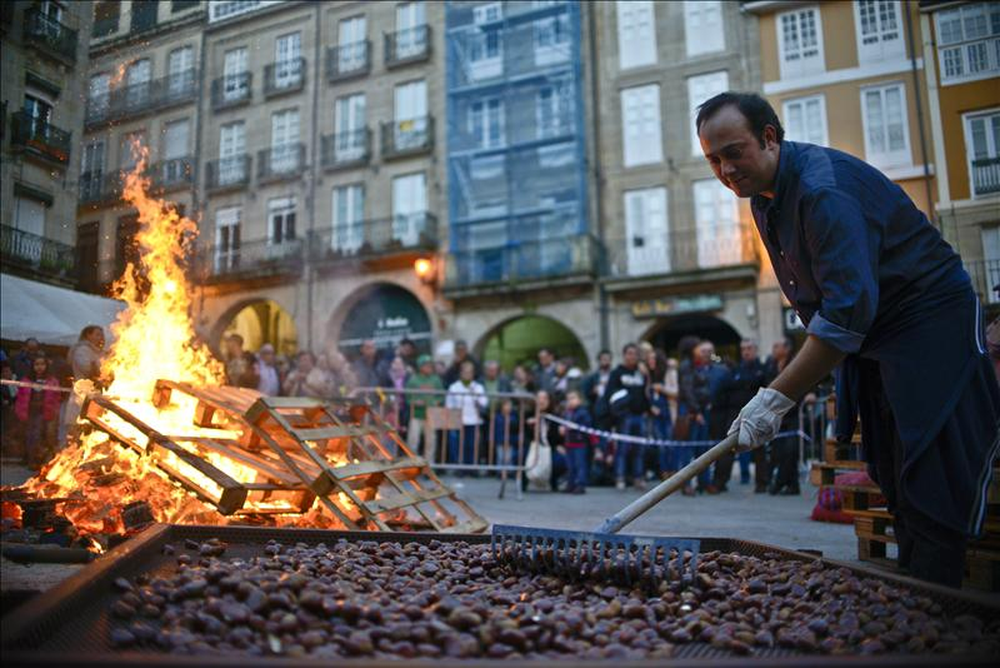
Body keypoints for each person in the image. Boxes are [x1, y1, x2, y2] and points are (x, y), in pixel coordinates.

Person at [697, 91, 1000, 587]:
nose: (726, 169)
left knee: (930, 465)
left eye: (734, 152)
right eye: (714, 160)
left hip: (928, 321)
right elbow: (815, 306)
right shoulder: (762, 200)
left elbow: (842, 316)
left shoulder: (823, 193)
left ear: (769, 138)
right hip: (875, 336)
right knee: (887, 463)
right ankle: (912, 583)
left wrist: (774, 399)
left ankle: (937, 596)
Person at [713, 339, 768, 492]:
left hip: (756, 414)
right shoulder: (735, 370)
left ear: (755, 350)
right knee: (727, 447)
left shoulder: (762, 369)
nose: (746, 351)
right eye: (743, 348)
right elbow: (725, 388)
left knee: (759, 448)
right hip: (735, 413)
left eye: (749, 348)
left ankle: (762, 483)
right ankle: (719, 482)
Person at [762, 337, 804, 496]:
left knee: (791, 450)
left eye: (776, 346)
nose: (773, 350)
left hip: (793, 412)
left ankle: (779, 483)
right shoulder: (770, 365)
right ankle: (793, 486)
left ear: (786, 348)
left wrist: (810, 395)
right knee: (779, 451)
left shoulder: (795, 363)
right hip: (777, 414)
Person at [605, 343, 650, 491]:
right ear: (624, 355)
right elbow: (610, 395)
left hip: (640, 415)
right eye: (629, 353)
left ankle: (638, 477)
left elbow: (648, 392)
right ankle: (620, 477)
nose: (632, 356)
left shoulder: (641, 373)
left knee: (640, 449)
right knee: (622, 448)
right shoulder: (617, 373)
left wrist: (647, 375)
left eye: (635, 354)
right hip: (625, 416)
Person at [676, 336, 711, 496]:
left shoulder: (696, 366)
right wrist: (695, 412)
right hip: (691, 411)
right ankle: (686, 483)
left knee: (702, 448)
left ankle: (703, 482)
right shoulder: (686, 366)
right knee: (688, 448)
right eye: (698, 347)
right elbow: (688, 391)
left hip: (699, 409)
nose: (701, 350)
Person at [14, 354, 62, 469]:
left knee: (46, 437)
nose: (39, 367)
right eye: (37, 364)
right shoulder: (26, 380)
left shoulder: (52, 381)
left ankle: (46, 462)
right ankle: (32, 460)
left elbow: (57, 397)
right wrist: (20, 411)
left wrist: (54, 412)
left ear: (46, 366)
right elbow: (20, 397)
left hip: (46, 412)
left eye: (42, 364)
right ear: (32, 366)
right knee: (31, 437)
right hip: (30, 413)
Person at [445, 360, 487, 471]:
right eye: (465, 372)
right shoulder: (454, 387)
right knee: (460, 446)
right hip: (459, 421)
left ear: (473, 374)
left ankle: (473, 468)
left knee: (473, 445)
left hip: (474, 420)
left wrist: (475, 397)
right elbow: (449, 404)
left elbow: (484, 403)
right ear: (461, 373)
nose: (467, 374)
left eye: (470, 372)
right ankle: (461, 468)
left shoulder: (478, 387)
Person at [406, 355, 444, 460]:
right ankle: (412, 464)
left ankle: (429, 465)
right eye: (426, 365)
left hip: (431, 415)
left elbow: (441, 395)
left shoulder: (436, 380)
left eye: (430, 365)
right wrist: (414, 402)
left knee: (431, 441)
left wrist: (437, 402)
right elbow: (408, 397)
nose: (429, 367)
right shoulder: (413, 380)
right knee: (413, 440)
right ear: (420, 367)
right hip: (417, 414)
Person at [646, 349, 674, 481]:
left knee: (670, 444)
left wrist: (662, 389)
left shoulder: (668, 373)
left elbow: (677, 392)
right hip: (656, 416)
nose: (650, 361)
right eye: (649, 359)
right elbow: (646, 395)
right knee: (661, 446)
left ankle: (672, 471)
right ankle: (664, 473)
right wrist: (650, 406)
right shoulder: (648, 375)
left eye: (653, 358)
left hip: (669, 413)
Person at [559, 390, 591, 494]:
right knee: (570, 466)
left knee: (580, 465)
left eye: (573, 398)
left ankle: (580, 484)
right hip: (569, 443)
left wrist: (569, 428)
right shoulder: (567, 413)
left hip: (579, 443)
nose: (570, 401)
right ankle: (571, 484)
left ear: (580, 400)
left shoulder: (583, 412)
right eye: (568, 399)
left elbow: (585, 427)